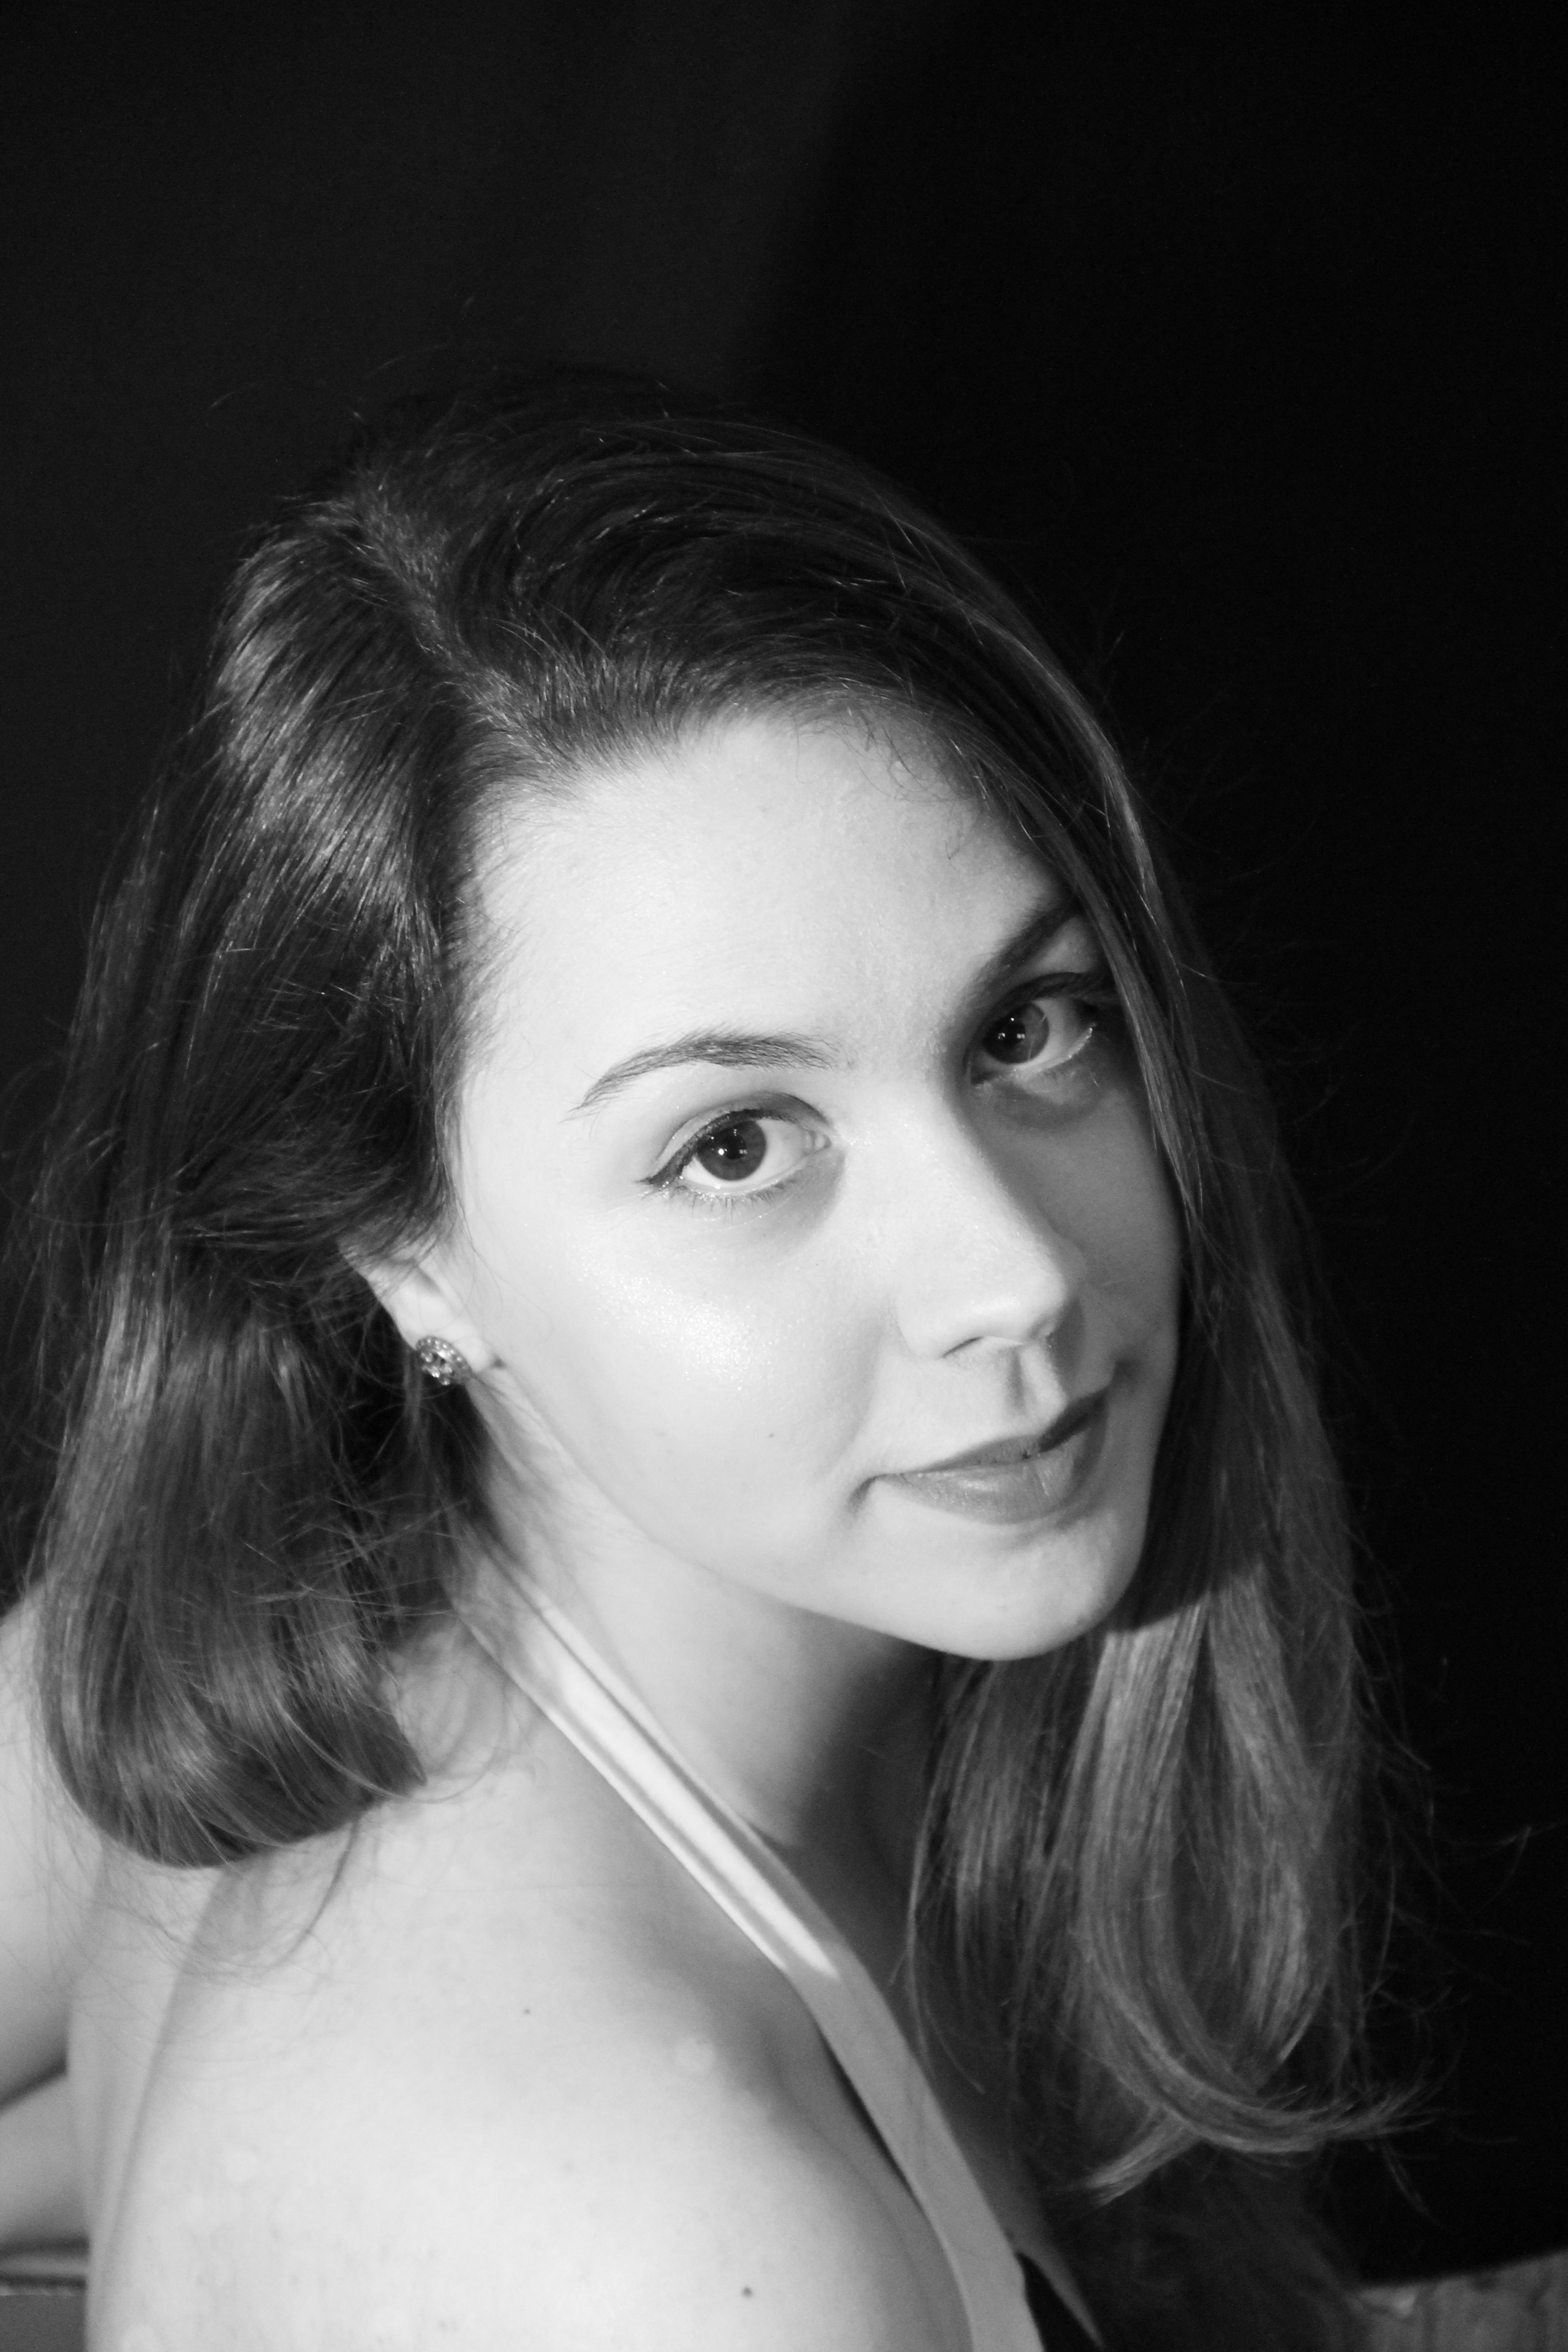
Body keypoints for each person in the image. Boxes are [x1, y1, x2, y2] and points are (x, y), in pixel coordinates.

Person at [0, 375, 1378, 2349]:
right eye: (734, 1146)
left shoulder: (201, 1668)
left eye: (1027, 1030)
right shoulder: (670, 2240)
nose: (1012, 1276)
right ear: (400, 1255)